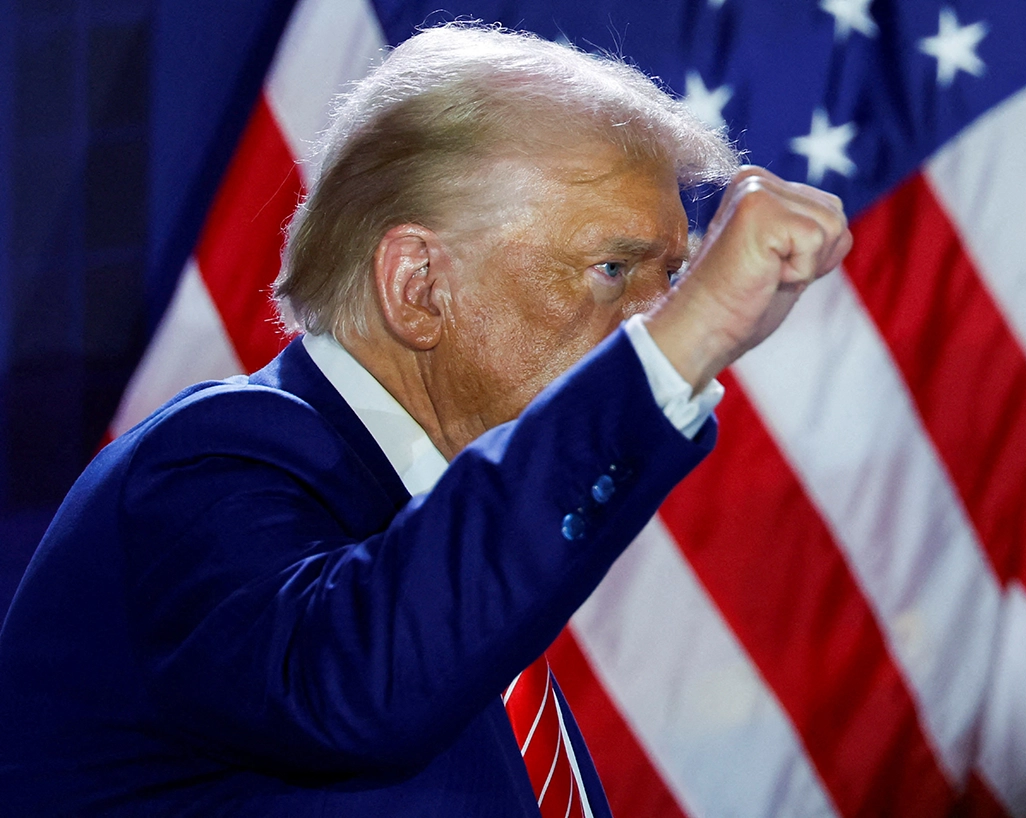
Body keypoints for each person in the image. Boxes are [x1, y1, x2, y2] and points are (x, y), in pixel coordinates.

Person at [0, 23, 851, 816]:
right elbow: (357, 686)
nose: (655, 311)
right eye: (612, 268)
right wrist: (688, 336)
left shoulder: (447, 566)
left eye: (671, 276)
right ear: (417, 285)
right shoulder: (207, 465)